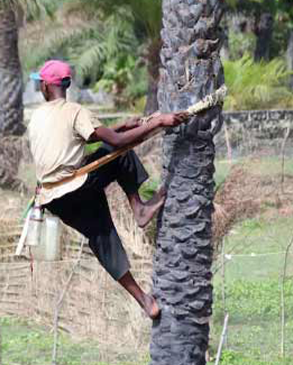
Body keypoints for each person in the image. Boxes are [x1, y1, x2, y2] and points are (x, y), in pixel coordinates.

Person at [27, 60, 188, 319]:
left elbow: (81, 141)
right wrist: (158, 121)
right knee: (120, 152)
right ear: (66, 84)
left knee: (101, 236)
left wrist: (121, 126)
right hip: (75, 185)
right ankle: (139, 209)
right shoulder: (74, 111)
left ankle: (145, 301)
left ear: (45, 87)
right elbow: (117, 142)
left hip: (52, 198)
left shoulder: (36, 117)